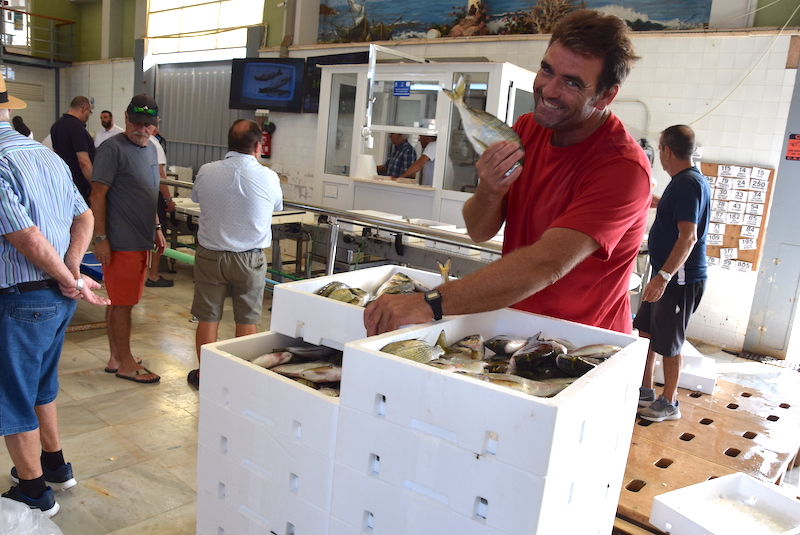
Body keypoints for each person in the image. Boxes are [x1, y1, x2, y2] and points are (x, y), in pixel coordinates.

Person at [364, 9, 652, 336]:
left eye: (571, 82)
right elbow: (479, 230)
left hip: (582, 346)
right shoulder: (528, 130)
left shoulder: (622, 169)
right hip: (515, 329)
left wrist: (429, 302)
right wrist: (489, 190)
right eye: (547, 69)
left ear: (606, 95)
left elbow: (546, 264)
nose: (549, 89)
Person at [0, 73, 109, 517]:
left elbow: (23, 236)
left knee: (12, 394)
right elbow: (83, 218)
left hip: (21, 297)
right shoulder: (41, 155)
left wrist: (67, 273)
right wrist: (72, 274)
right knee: (42, 385)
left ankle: (33, 492)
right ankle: (55, 465)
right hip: (57, 300)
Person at [187, 119, 283, 389]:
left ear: (228, 143)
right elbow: (277, 204)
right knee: (247, 318)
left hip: (210, 256)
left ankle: (207, 375)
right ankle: (241, 379)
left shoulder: (207, 171)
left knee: (208, 317)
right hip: (249, 259)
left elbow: (196, 199)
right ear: (258, 145)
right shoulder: (268, 176)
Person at [636, 125, 711, 422]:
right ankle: (645, 389)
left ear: (667, 151)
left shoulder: (687, 183)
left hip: (678, 278)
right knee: (646, 331)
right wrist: (642, 197)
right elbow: (668, 209)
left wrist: (663, 277)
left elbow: (688, 237)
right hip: (665, 274)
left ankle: (670, 401)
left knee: (669, 340)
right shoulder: (683, 181)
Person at [90, 94, 164, 384]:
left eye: (148, 125)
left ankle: (116, 357)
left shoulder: (150, 149)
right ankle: (126, 363)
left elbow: (150, 192)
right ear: (126, 118)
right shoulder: (112, 149)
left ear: (156, 126)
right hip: (121, 242)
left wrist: (156, 227)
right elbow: (97, 194)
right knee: (123, 304)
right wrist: (101, 239)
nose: (141, 129)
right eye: (136, 122)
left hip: (141, 238)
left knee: (119, 302)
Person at [145, 124, 177, 288]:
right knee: (159, 234)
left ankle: (143, 272)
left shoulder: (132, 143)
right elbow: (160, 176)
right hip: (153, 195)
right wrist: (168, 198)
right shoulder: (154, 145)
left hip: (139, 194)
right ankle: (153, 275)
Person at [50, 96, 95, 202]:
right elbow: (83, 162)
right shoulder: (77, 128)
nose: (89, 115)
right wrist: (94, 187)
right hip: (79, 185)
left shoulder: (56, 125)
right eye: (90, 112)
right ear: (84, 110)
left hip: (63, 181)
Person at [398, 121, 437, 186]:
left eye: (420, 136)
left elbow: (420, 163)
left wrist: (400, 178)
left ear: (426, 138)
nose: (419, 140)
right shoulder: (436, 146)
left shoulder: (433, 145)